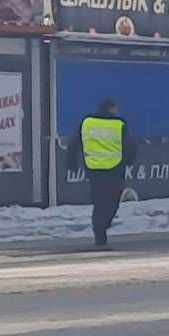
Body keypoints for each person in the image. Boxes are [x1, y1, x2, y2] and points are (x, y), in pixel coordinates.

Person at [71, 98, 136, 247]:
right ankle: (102, 225)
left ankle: (98, 228)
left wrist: (72, 162)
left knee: (99, 201)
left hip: (93, 169)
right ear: (111, 108)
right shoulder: (118, 124)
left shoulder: (87, 122)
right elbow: (130, 146)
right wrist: (128, 162)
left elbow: (74, 143)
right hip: (114, 169)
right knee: (112, 202)